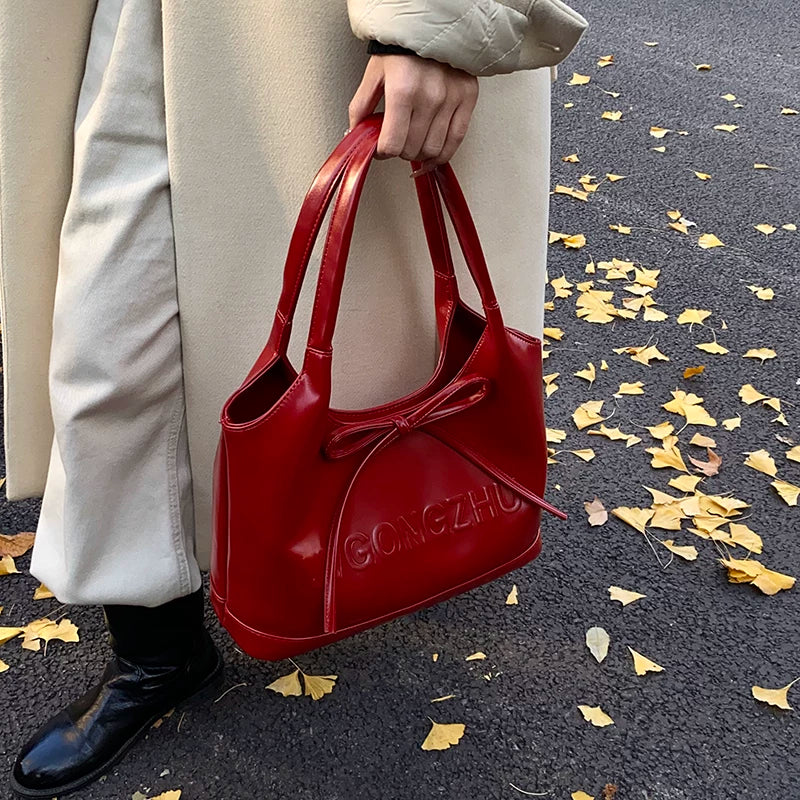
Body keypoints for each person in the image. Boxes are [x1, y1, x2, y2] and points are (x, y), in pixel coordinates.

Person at [3, 1, 587, 796]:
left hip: (311, 27)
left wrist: (435, 21)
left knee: (389, 327)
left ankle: (383, 543)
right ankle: (156, 650)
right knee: (106, 340)